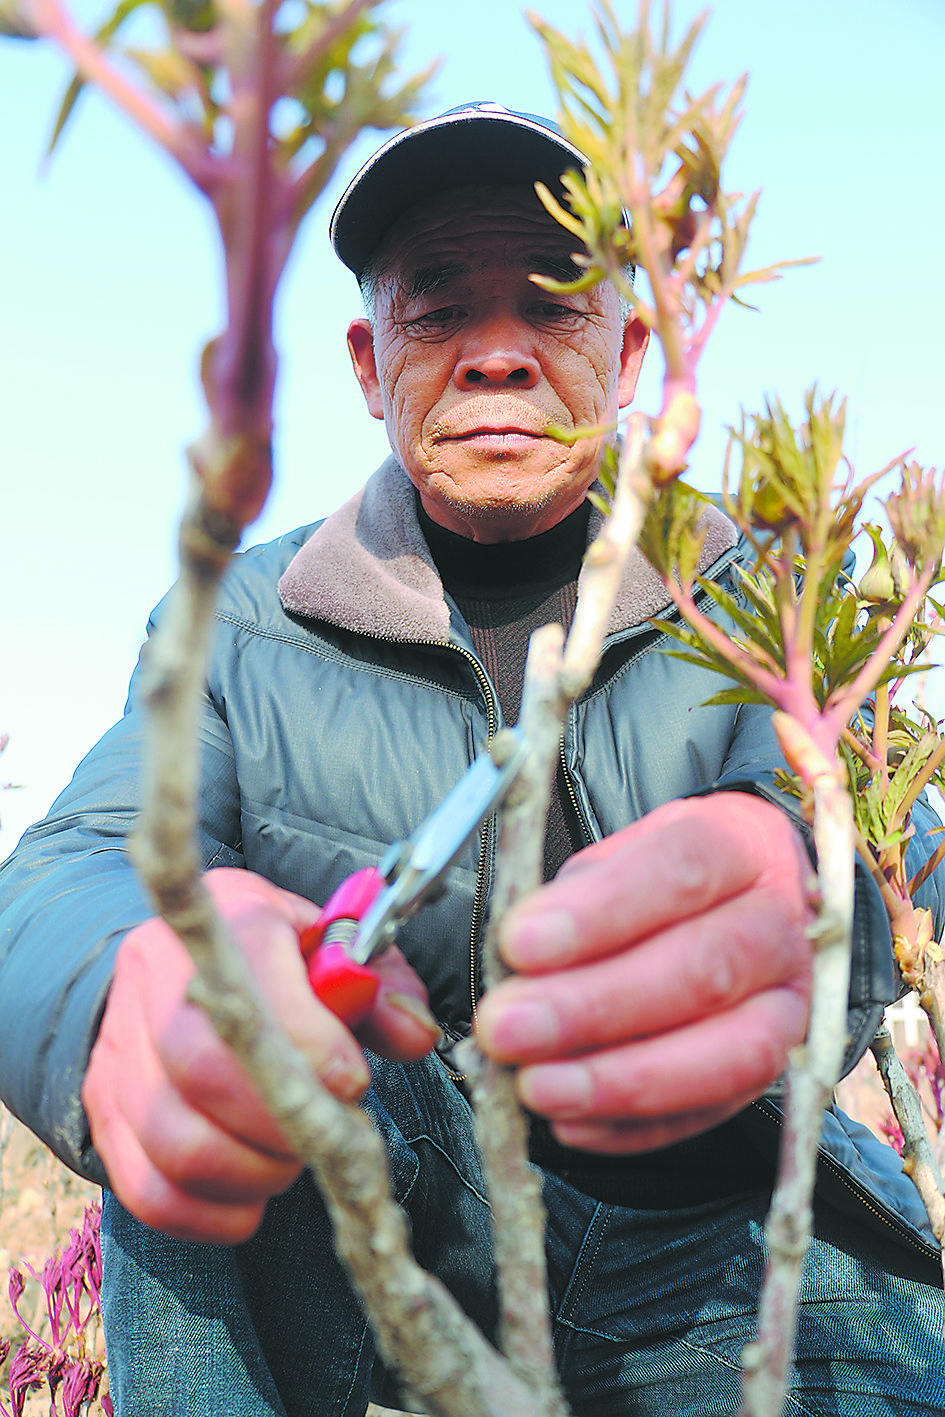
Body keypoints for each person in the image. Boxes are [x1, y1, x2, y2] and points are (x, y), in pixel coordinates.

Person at [0, 102, 943, 1416]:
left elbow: (911, 844)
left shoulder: (768, 591)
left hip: (724, 1222)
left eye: (554, 304)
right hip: (380, 1216)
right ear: (366, 363)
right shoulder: (240, 627)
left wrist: (809, 877)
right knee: (217, 1044)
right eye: (438, 310)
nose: (497, 353)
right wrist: (113, 987)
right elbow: (71, 865)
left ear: (628, 354)